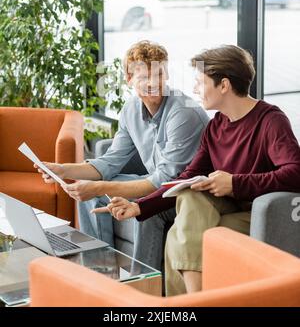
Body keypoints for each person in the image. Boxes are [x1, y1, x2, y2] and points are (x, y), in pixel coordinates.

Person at [96, 44, 300, 295]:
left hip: (257, 214)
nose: (194, 89)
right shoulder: (216, 126)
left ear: (223, 85)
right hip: (227, 205)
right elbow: (187, 177)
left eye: (200, 82)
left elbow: (295, 172)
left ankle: (194, 303)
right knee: (189, 196)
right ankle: (188, 305)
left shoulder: (271, 121)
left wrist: (235, 183)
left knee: (178, 237)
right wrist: (139, 206)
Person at [36, 40, 209, 270]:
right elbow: (110, 162)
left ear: (166, 74)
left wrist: (98, 187)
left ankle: (143, 281)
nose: (152, 83)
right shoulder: (130, 110)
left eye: (158, 74)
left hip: (183, 191)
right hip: (158, 183)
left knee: (121, 200)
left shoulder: (183, 112)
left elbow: (164, 182)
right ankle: (101, 271)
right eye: (143, 77)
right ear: (129, 79)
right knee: (89, 189)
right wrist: (62, 169)